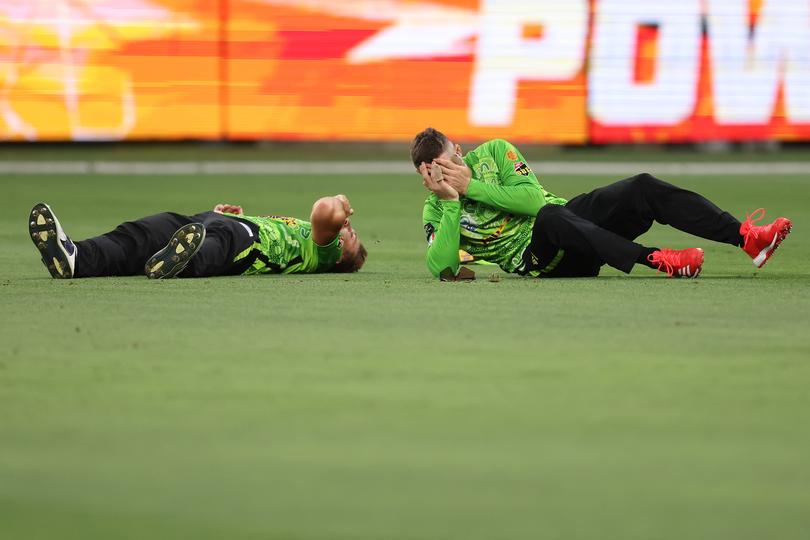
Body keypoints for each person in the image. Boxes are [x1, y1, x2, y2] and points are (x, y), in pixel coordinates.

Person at [410, 127, 792, 279]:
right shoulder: (436, 208)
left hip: (570, 223)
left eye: (449, 164)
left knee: (641, 187)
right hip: (542, 260)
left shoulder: (494, 152)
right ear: (424, 178)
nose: (444, 176)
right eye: (433, 174)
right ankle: (656, 259)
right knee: (551, 218)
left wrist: (472, 185)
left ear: (458, 151)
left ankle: (747, 239)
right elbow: (441, 268)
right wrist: (452, 202)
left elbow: (530, 197)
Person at [28, 194, 367, 279]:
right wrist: (225, 215)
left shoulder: (319, 254)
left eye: (348, 239)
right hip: (217, 223)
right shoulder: (309, 237)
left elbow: (326, 211)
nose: (348, 230)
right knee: (140, 235)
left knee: (213, 249)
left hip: (245, 243)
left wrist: (341, 204)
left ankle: (179, 262)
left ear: (338, 257)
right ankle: (74, 257)